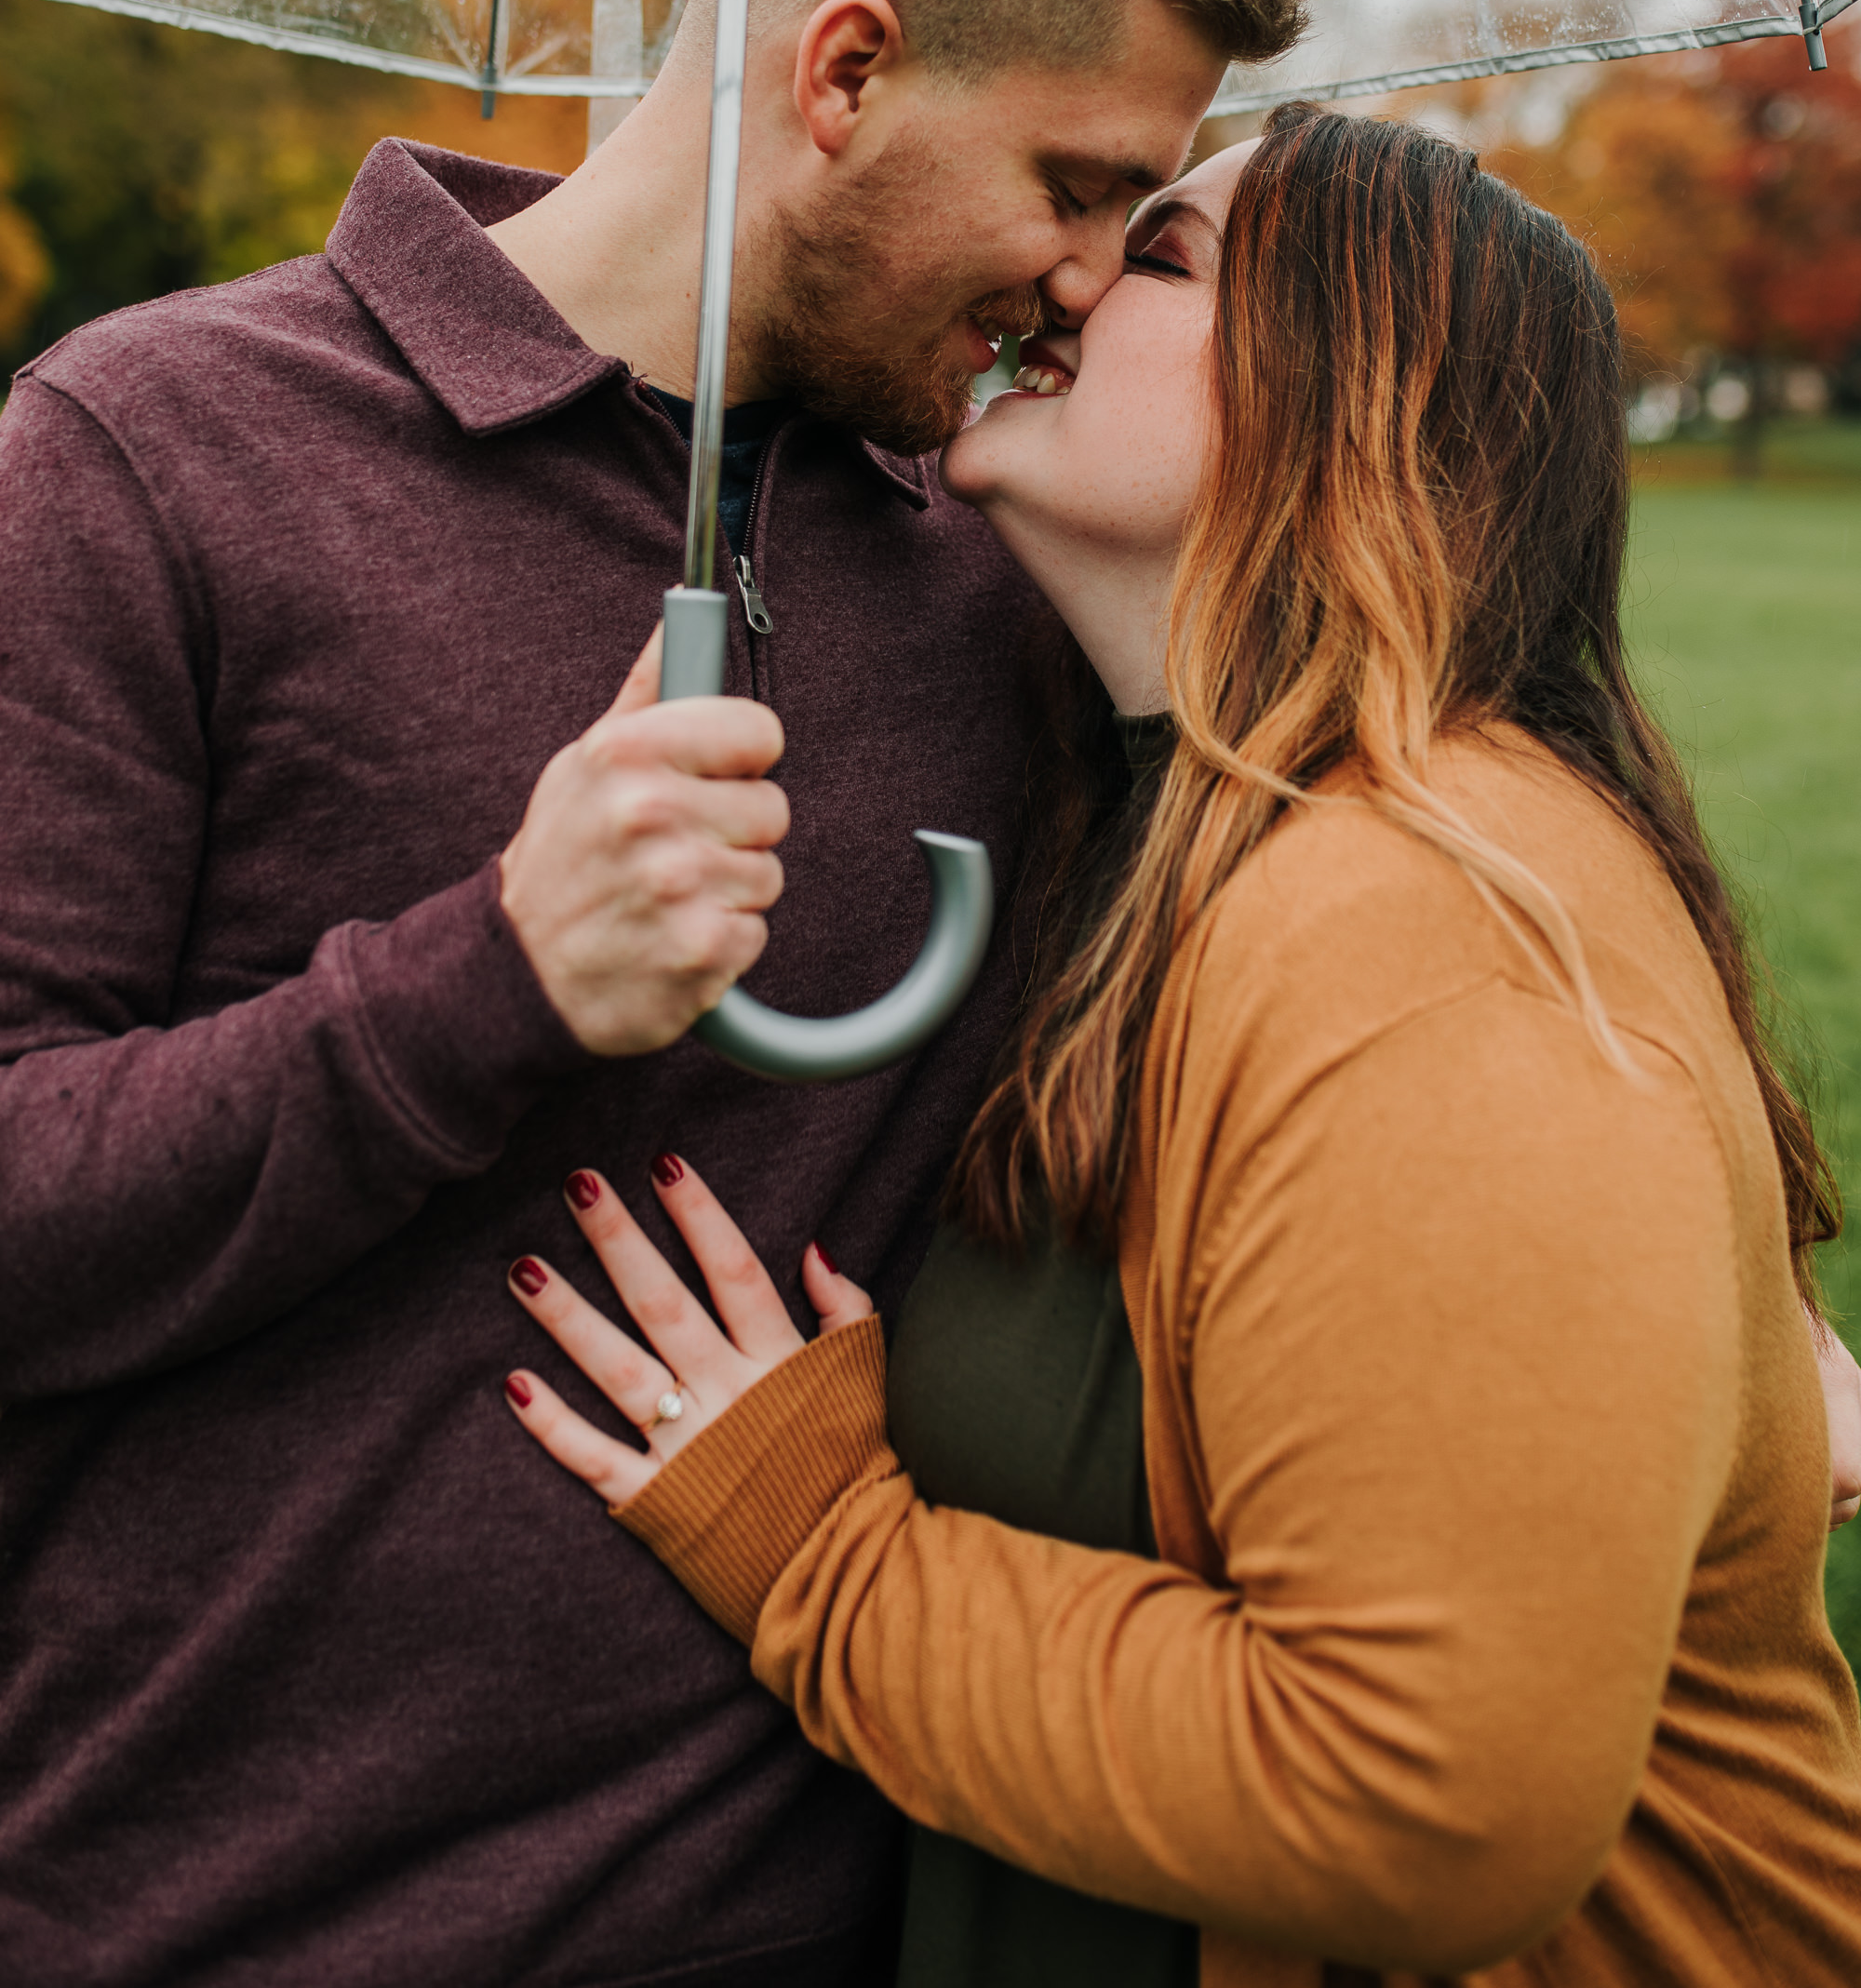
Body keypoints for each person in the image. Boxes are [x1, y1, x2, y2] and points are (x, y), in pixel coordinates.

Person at [0, 0, 1305, 1987]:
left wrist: (1669, 1308)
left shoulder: (1010, 569)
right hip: (192, 1916)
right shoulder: (147, 451)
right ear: (846, 71)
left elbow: (1352, 939)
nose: (1096, 280)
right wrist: (485, 982)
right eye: (1080, 184)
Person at [502, 107, 1861, 1985]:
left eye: (1155, 256)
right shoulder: (1187, 825)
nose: (1059, 278)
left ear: (1353, 404)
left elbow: (1420, 1804)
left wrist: (817, 1547)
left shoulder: (1426, 924)